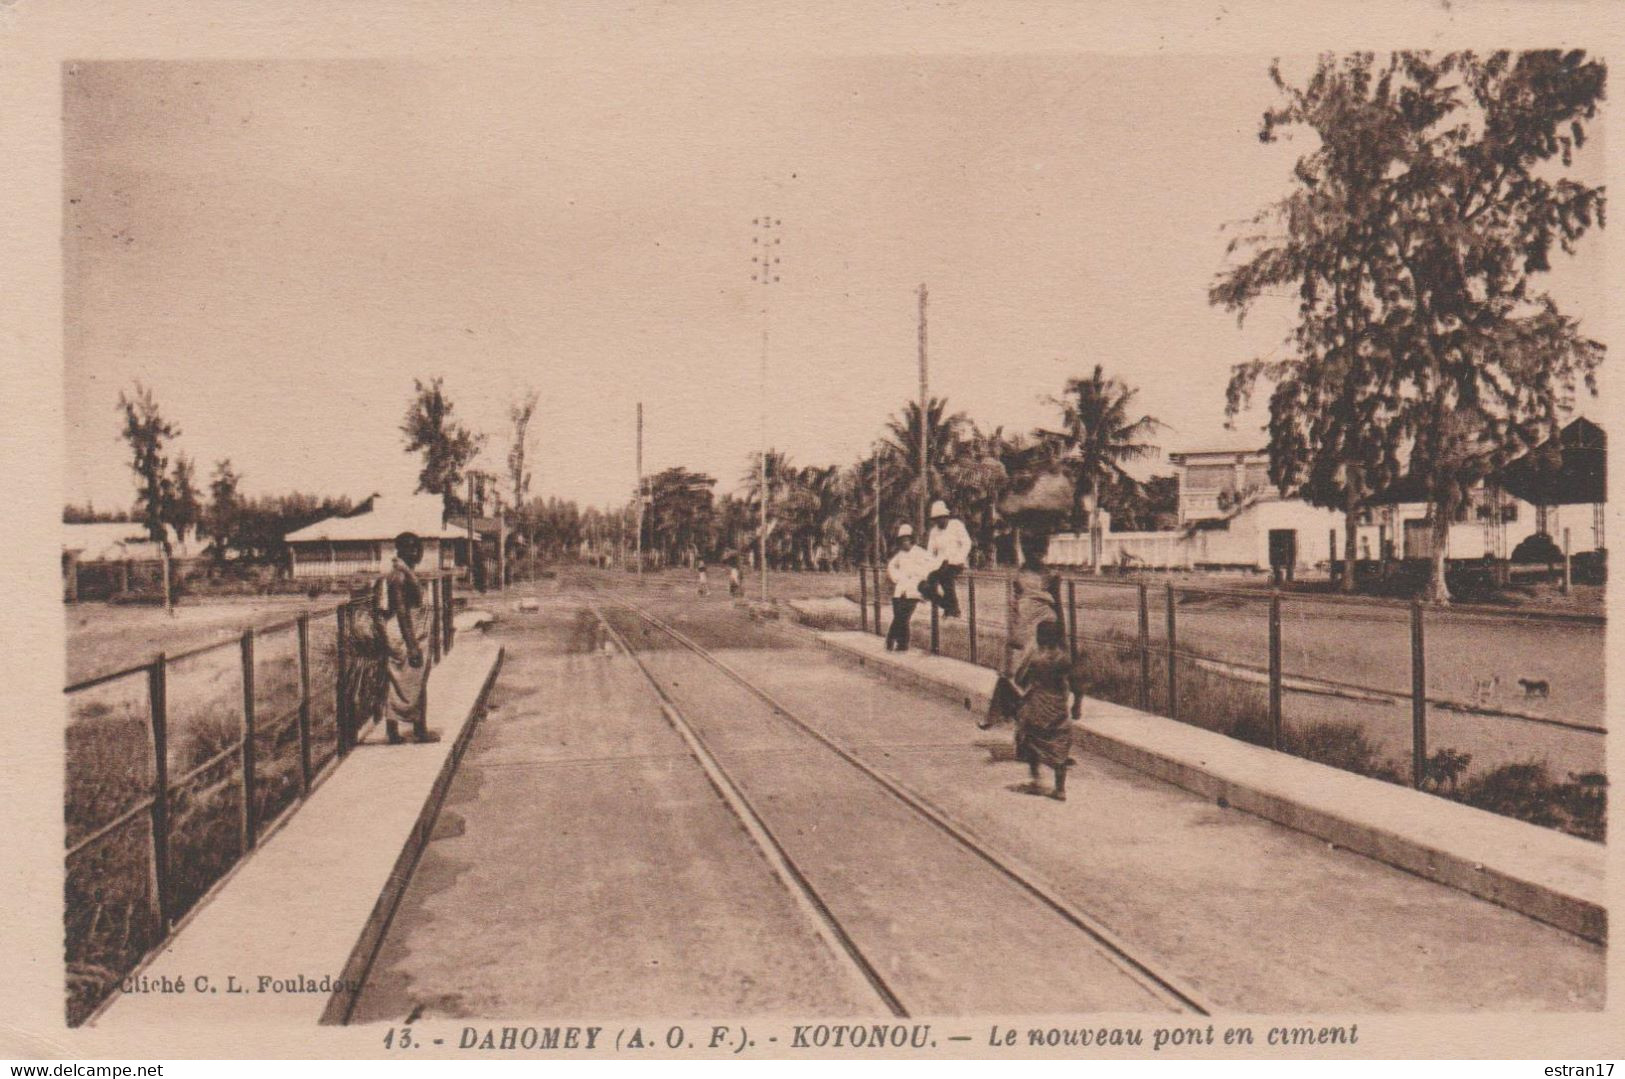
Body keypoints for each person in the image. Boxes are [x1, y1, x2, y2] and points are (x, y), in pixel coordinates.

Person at [355, 532, 441, 745]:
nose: (416, 552)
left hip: (409, 632)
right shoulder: (399, 577)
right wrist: (412, 646)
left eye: (417, 548)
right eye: (410, 548)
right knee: (409, 683)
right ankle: (417, 731)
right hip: (405, 635)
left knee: (406, 683)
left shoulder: (405, 572)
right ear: (400, 551)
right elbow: (402, 612)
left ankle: (397, 732)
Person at [979, 546, 1062, 729]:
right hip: (1024, 626)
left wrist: (1060, 637)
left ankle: (1025, 719)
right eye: (1031, 550)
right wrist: (1014, 633)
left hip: (1043, 627)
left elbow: (1057, 606)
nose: (1035, 555)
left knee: (1032, 674)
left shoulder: (1051, 575)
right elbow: (1014, 606)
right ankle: (1008, 715)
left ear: (1044, 551)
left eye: (1038, 550)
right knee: (1010, 675)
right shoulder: (1019, 575)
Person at [1011, 620, 1082, 801]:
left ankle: (1036, 779)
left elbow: (1020, 680)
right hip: (1058, 708)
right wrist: (1077, 704)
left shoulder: (1036, 661)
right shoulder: (1064, 659)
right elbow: (1076, 683)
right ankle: (1060, 789)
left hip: (1037, 706)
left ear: (1040, 639)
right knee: (1059, 744)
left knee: (1031, 739)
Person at [884, 523, 935, 652]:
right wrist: (896, 577)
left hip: (913, 589)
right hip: (900, 589)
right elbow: (891, 566)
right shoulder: (900, 554)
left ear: (911, 540)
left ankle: (890, 639)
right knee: (899, 617)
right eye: (901, 541)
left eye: (906, 540)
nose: (904, 543)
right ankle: (902, 645)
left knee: (903, 616)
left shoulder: (921, 553)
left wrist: (921, 578)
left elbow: (931, 567)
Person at [919, 500, 972, 618]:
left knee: (945, 575)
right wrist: (928, 566)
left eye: (941, 518)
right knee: (924, 586)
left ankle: (953, 609)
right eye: (936, 519)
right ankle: (949, 606)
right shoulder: (934, 531)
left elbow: (967, 543)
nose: (939, 521)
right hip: (939, 564)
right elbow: (930, 552)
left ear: (946, 516)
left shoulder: (956, 525)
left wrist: (957, 558)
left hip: (956, 562)